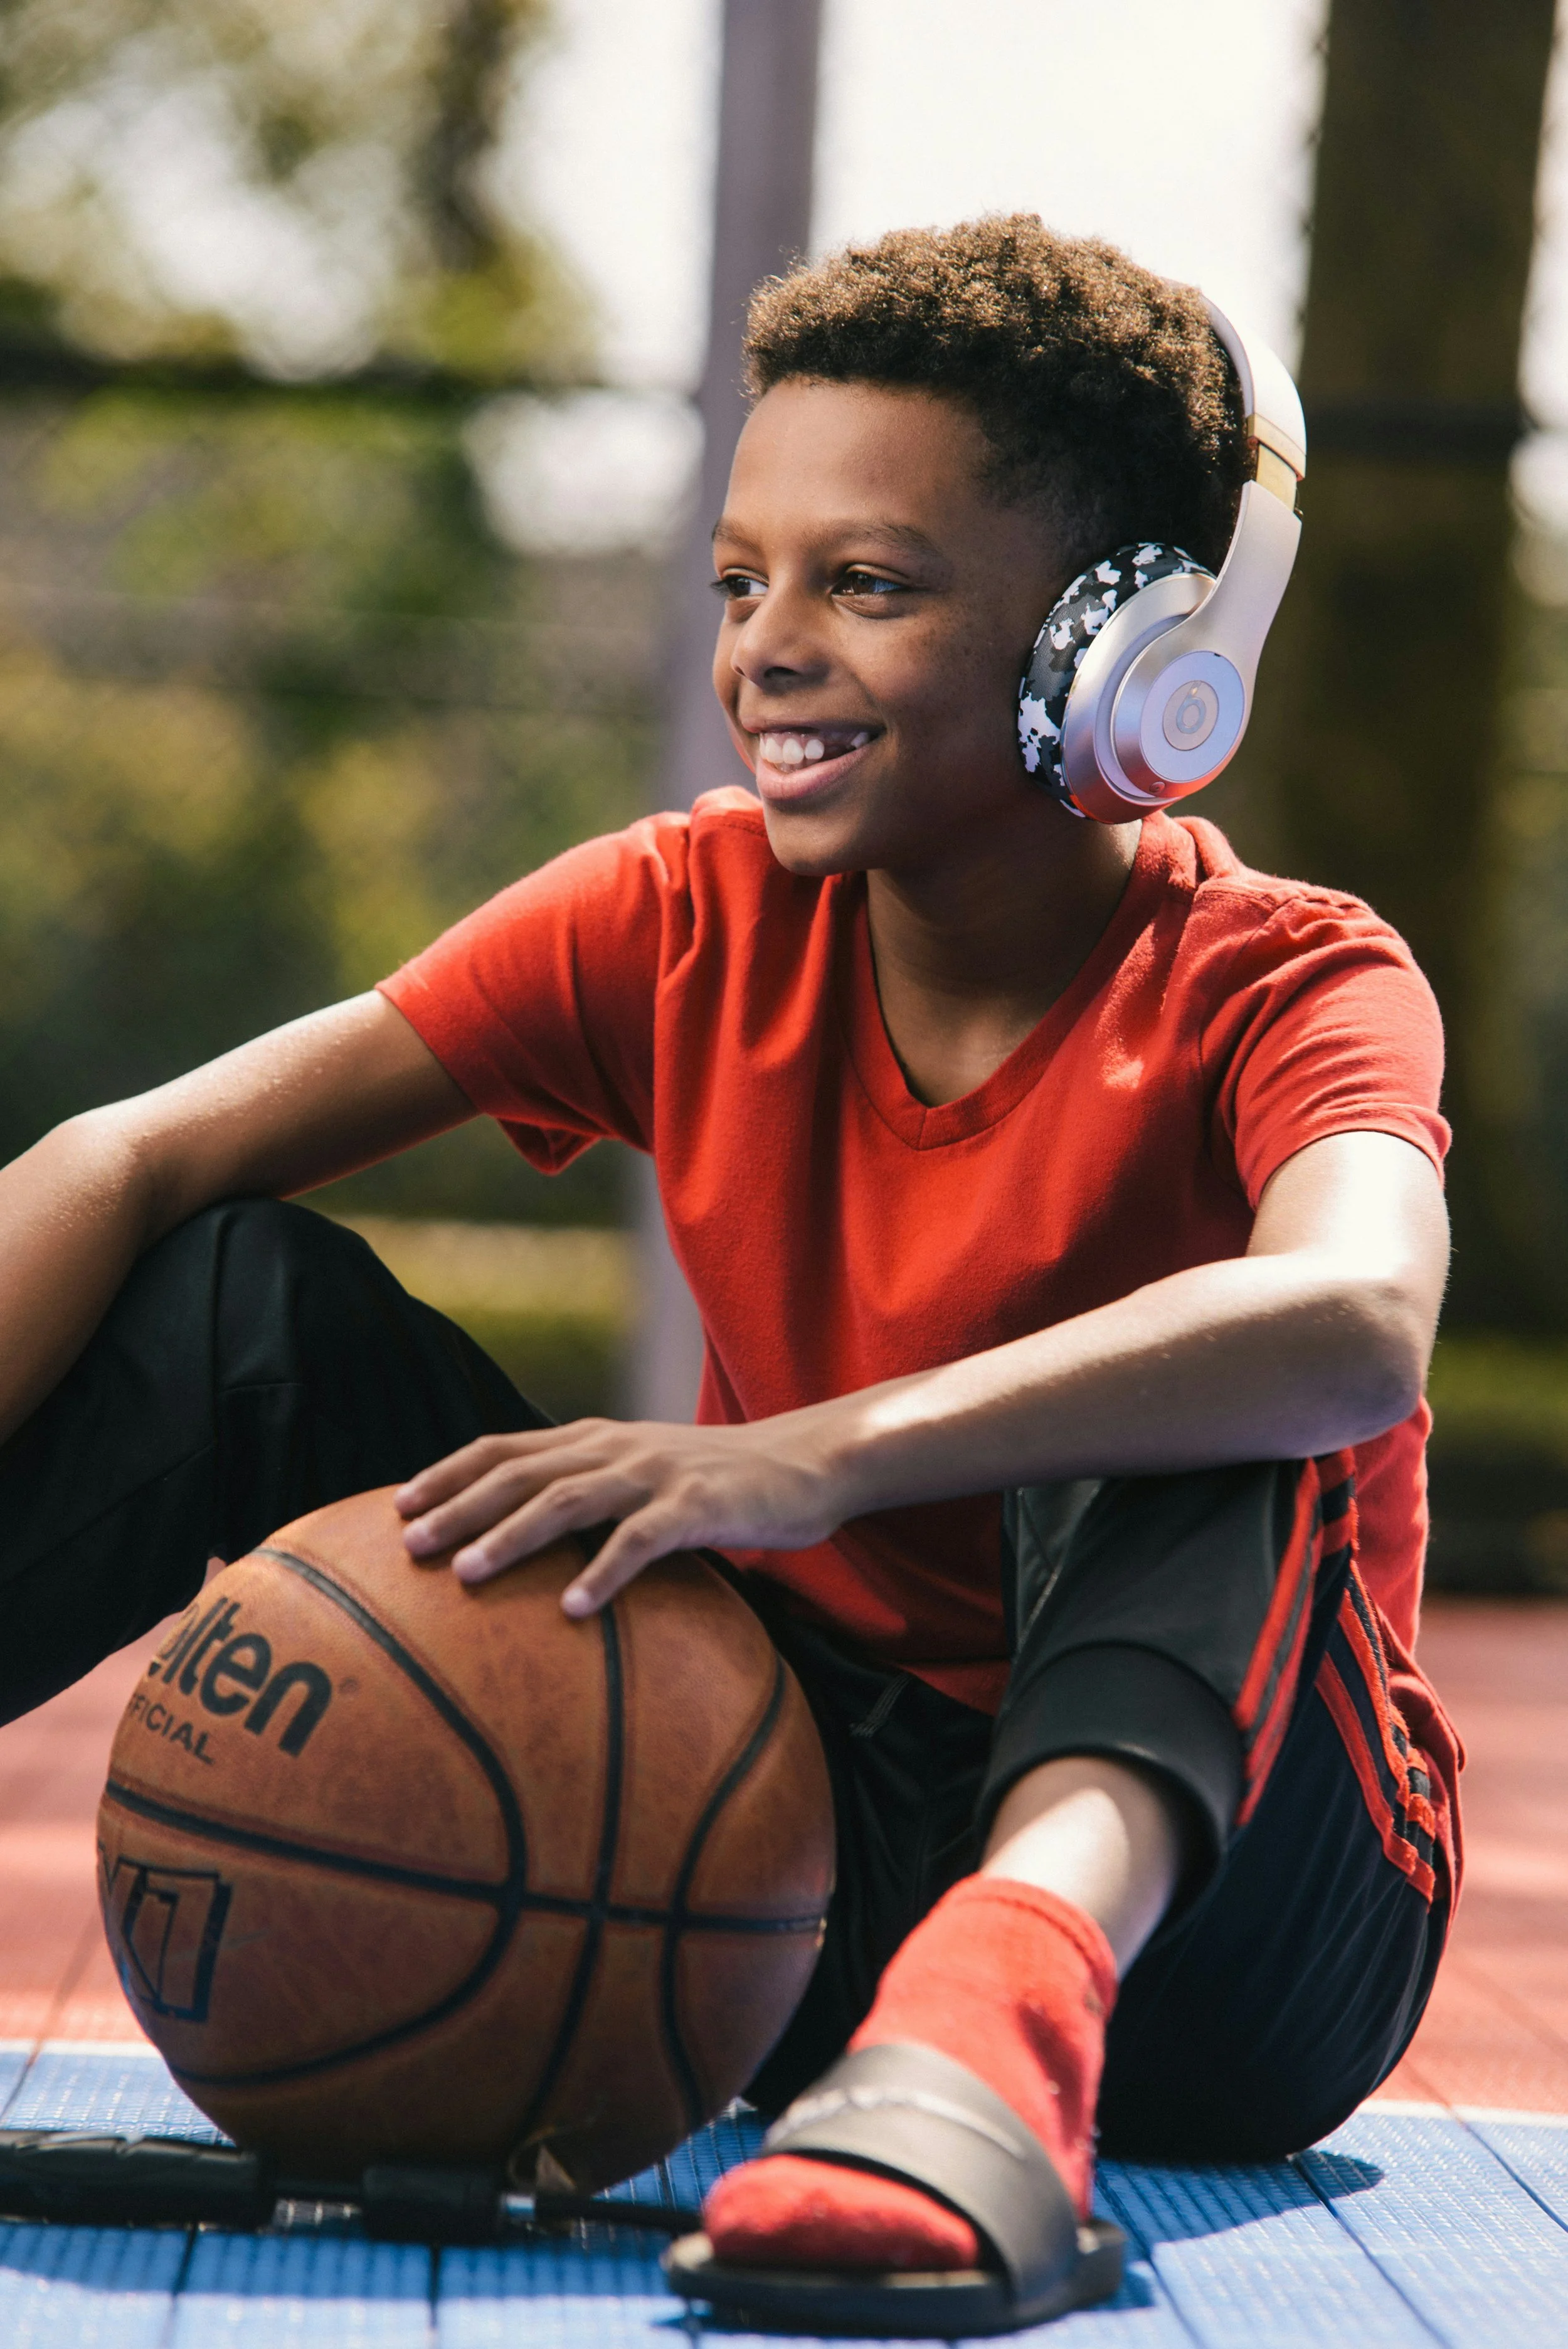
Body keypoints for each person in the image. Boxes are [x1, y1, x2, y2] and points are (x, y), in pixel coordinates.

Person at [0, 218, 1457, 2334]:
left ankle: (990, 2025)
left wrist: (804, 1460)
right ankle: (896, 2026)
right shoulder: (679, 915)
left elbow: (1352, 1323)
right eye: (739, 581)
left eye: (864, 585)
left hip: (1230, 1942)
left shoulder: (1289, 980)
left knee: (1222, 1373)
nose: (766, 645)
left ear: (1129, 652)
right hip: (778, 1852)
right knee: (236, 1301)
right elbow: (118, 1159)